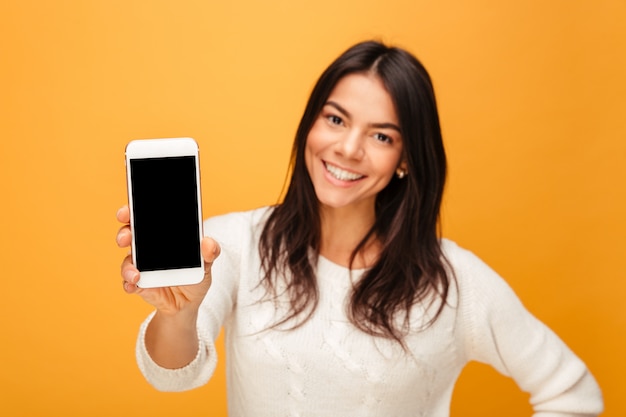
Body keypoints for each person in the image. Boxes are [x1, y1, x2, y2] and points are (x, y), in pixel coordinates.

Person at [116, 40, 603, 416]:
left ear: (406, 159)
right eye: (335, 118)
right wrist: (178, 314)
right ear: (311, 125)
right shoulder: (234, 245)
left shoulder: (454, 282)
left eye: (381, 135)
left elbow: (572, 392)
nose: (349, 149)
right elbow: (173, 378)